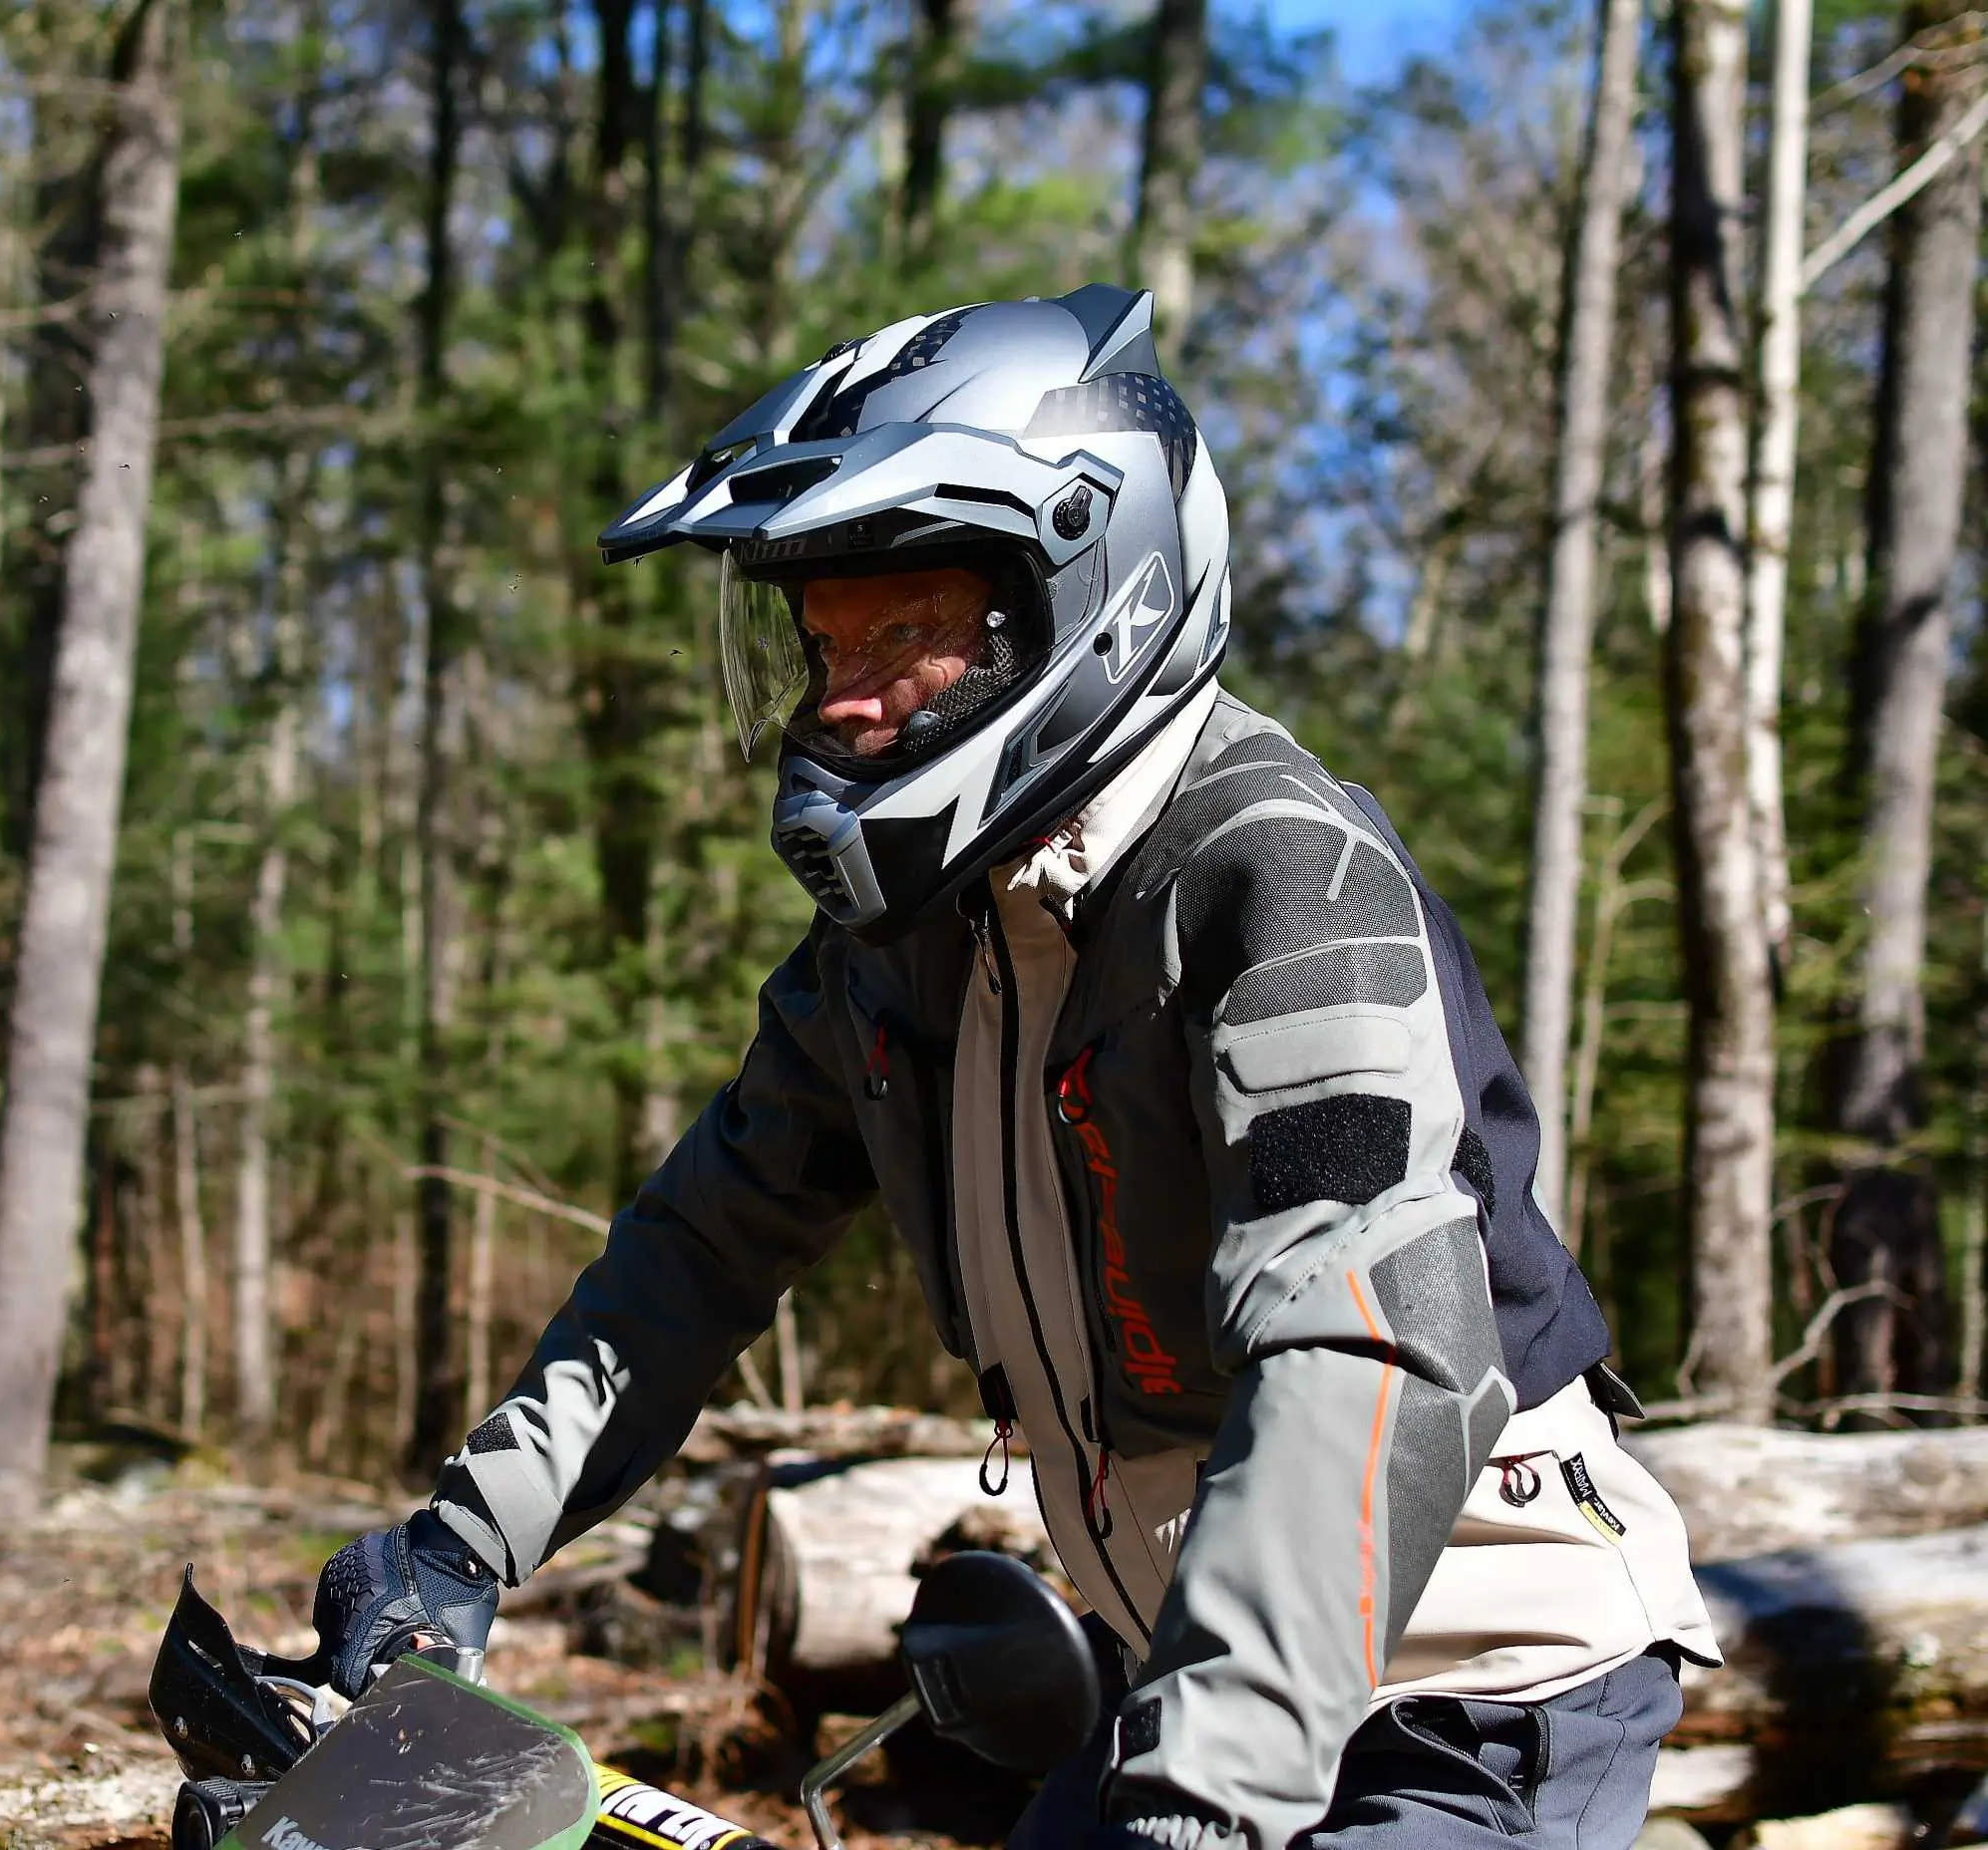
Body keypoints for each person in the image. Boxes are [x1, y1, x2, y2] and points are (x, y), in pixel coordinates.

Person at [311, 288, 1717, 1850]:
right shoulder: (919, 937)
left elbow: (1365, 1351)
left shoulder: (1280, 886)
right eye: (821, 639)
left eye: (902, 633)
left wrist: (1201, 1792)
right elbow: (703, 1249)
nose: (838, 700)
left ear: (1088, 590)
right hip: (1187, 1677)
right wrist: (460, 1547)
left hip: (1467, 1690)